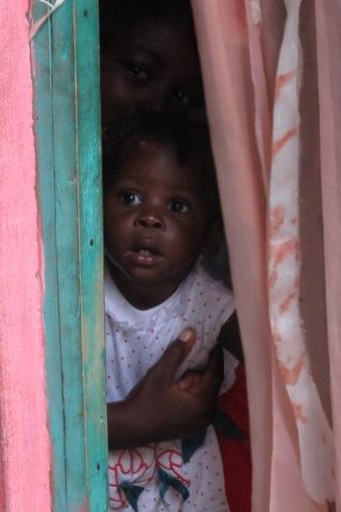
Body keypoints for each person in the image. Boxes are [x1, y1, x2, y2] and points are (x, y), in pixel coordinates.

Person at [102, 114, 238, 511]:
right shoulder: (75, 294)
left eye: (177, 206)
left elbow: (281, 368)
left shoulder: (212, 306)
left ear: (210, 236)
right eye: (130, 197)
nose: (150, 217)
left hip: (188, 497)